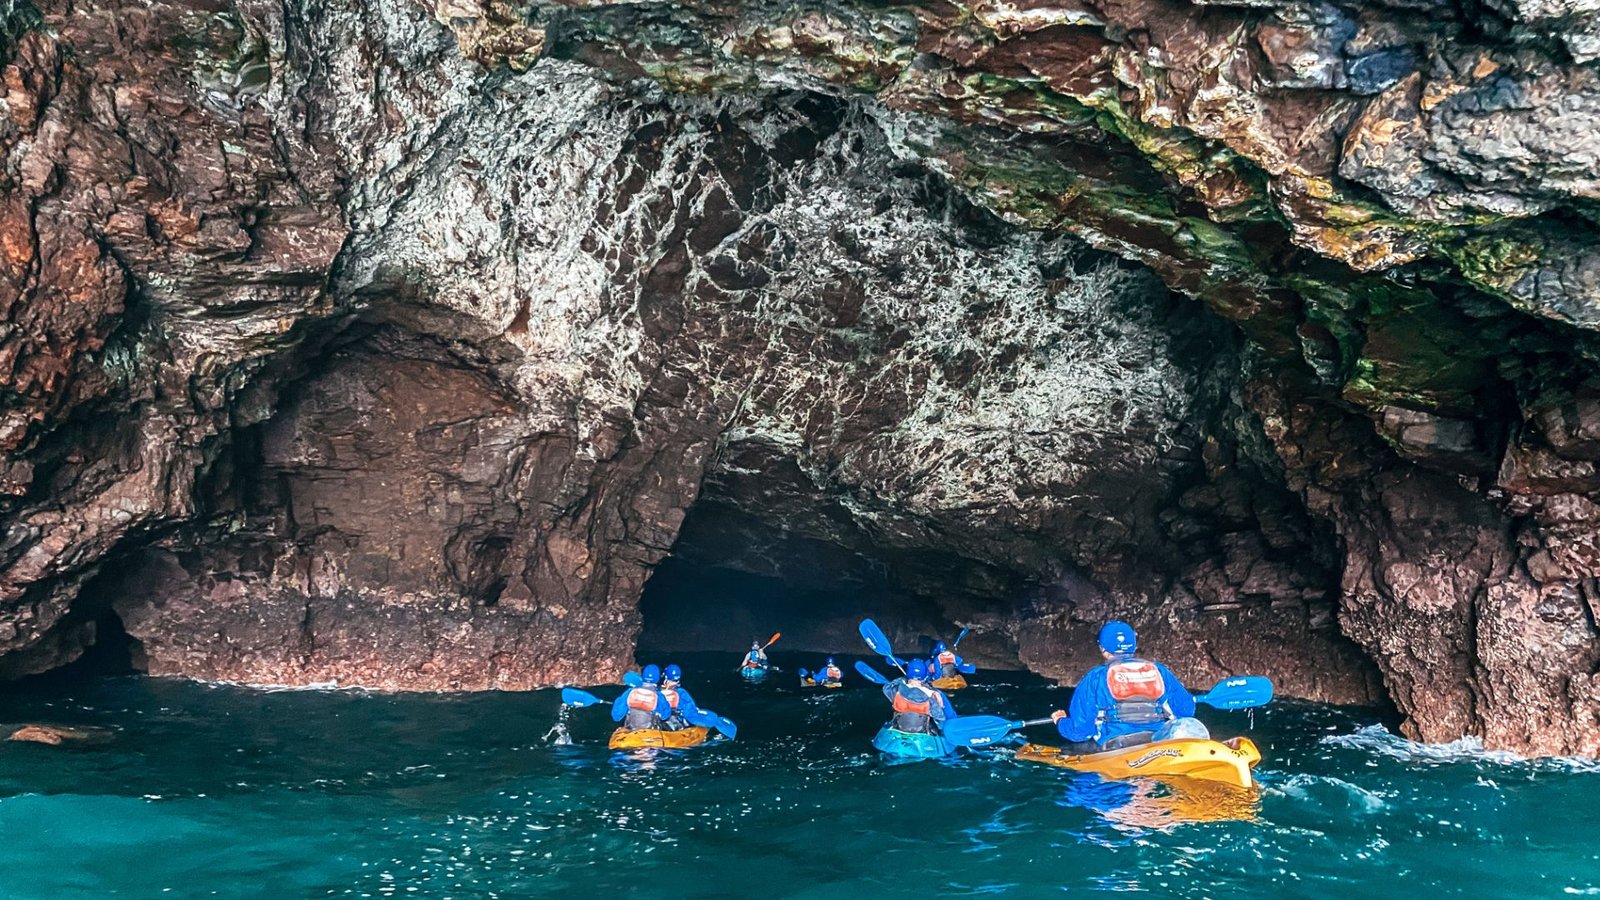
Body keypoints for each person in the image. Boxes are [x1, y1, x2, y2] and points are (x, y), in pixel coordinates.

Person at [1048, 621, 1206, 752]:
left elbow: (1080, 732)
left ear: (1103, 649)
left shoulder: (1096, 677)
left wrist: (1061, 721)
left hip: (1116, 746)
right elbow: (1186, 710)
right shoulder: (1159, 671)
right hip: (1159, 740)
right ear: (1134, 646)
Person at [882, 659, 952, 734]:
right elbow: (939, 717)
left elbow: (886, 688)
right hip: (921, 730)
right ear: (924, 676)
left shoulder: (896, 691)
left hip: (899, 727)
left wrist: (902, 679)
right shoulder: (931, 695)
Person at [612, 663, 672, 731]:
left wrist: (618, 702)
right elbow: (665, 716)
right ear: (658, 678)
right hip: (650, 732)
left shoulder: (630, 692)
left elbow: (616, 716)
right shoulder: (659, 696)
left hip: (631, 730)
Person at [660, 663, 698, 730]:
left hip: (665, 719)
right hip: (675, 720)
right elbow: (691, 709)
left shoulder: (658, 691)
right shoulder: (682, 693)